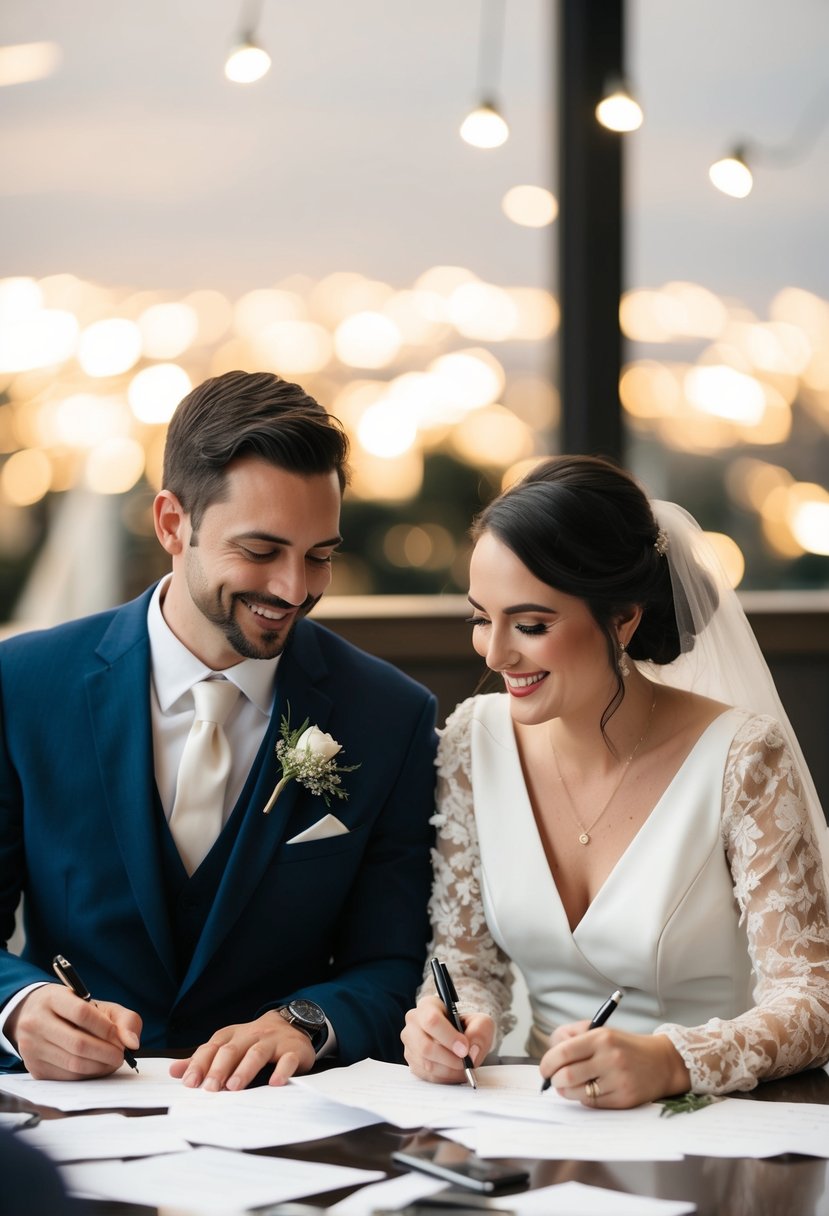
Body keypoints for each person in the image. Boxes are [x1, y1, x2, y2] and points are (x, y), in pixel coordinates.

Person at [0, 370, 437, 1090]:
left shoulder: (389, 715)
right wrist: (20, 1009)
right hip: (71, 1123)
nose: (294, 589)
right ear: (173, 522)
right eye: (261, 551)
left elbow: (394, 964)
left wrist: (305, 1022)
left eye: (319, 555)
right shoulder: (23, 686)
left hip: (288, 1132)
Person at [402, 454, 829, 1108]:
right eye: (479, 619)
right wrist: (448, 1019)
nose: (494, 654)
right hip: (541, 1123)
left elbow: (811, 999)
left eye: (530, 625)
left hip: (716, 1127)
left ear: (623, 617)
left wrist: (670, 1061)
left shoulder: (742, 755)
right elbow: (466, 964)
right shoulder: (471, 741)